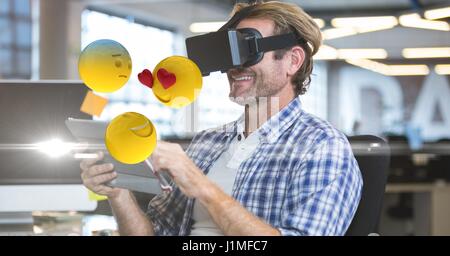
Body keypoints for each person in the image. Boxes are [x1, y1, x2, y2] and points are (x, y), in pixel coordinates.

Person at [80, 1, 362, 236]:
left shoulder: (321, 146)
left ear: (292, 60)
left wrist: (203, 187)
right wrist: (118, 194)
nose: (234, 66)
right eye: (230, 51)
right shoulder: (207, 143)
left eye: (248, 49)